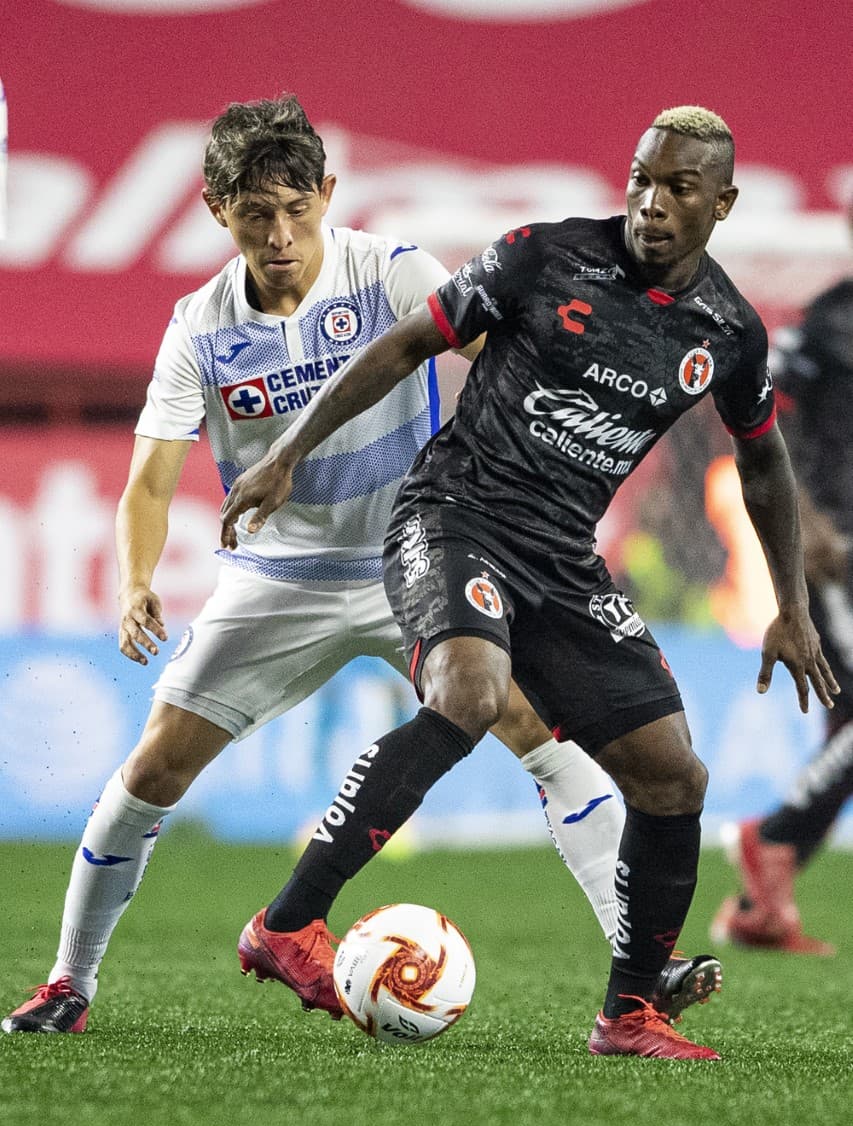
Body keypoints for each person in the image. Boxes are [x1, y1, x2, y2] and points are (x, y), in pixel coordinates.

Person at [2, 94, 718, 1036]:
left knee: (546, 742)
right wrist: (136, 579)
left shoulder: (387, 271)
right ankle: (69, 981)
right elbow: (147, 482)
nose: (280, 236)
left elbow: (511, 343)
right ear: (216, 211)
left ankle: (647, 964)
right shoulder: (198, 327)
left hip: (415, 557)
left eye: (297, 210)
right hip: (277, 580)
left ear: (328, 195)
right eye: (255, 215)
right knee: (153, 771)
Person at [220, 105, 839, 1061]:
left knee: (672, 777)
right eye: (640, 178)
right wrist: (289, 454)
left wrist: (790, 607)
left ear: (721, 203)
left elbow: (762, 461)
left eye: (677, 188)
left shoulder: (727, 330)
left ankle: (628, 1014)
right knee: (467, 695)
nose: (650, 203)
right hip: (453, 517)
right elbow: (405, 345)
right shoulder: (541, 256)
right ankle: (287, 922)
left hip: (561, 558)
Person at [712, 210, 853, 955]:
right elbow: (770, 422)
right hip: (837, 545)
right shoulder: (828, 322)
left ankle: (757, 907)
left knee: (846, 728)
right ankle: (768, 838)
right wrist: (808, 519)